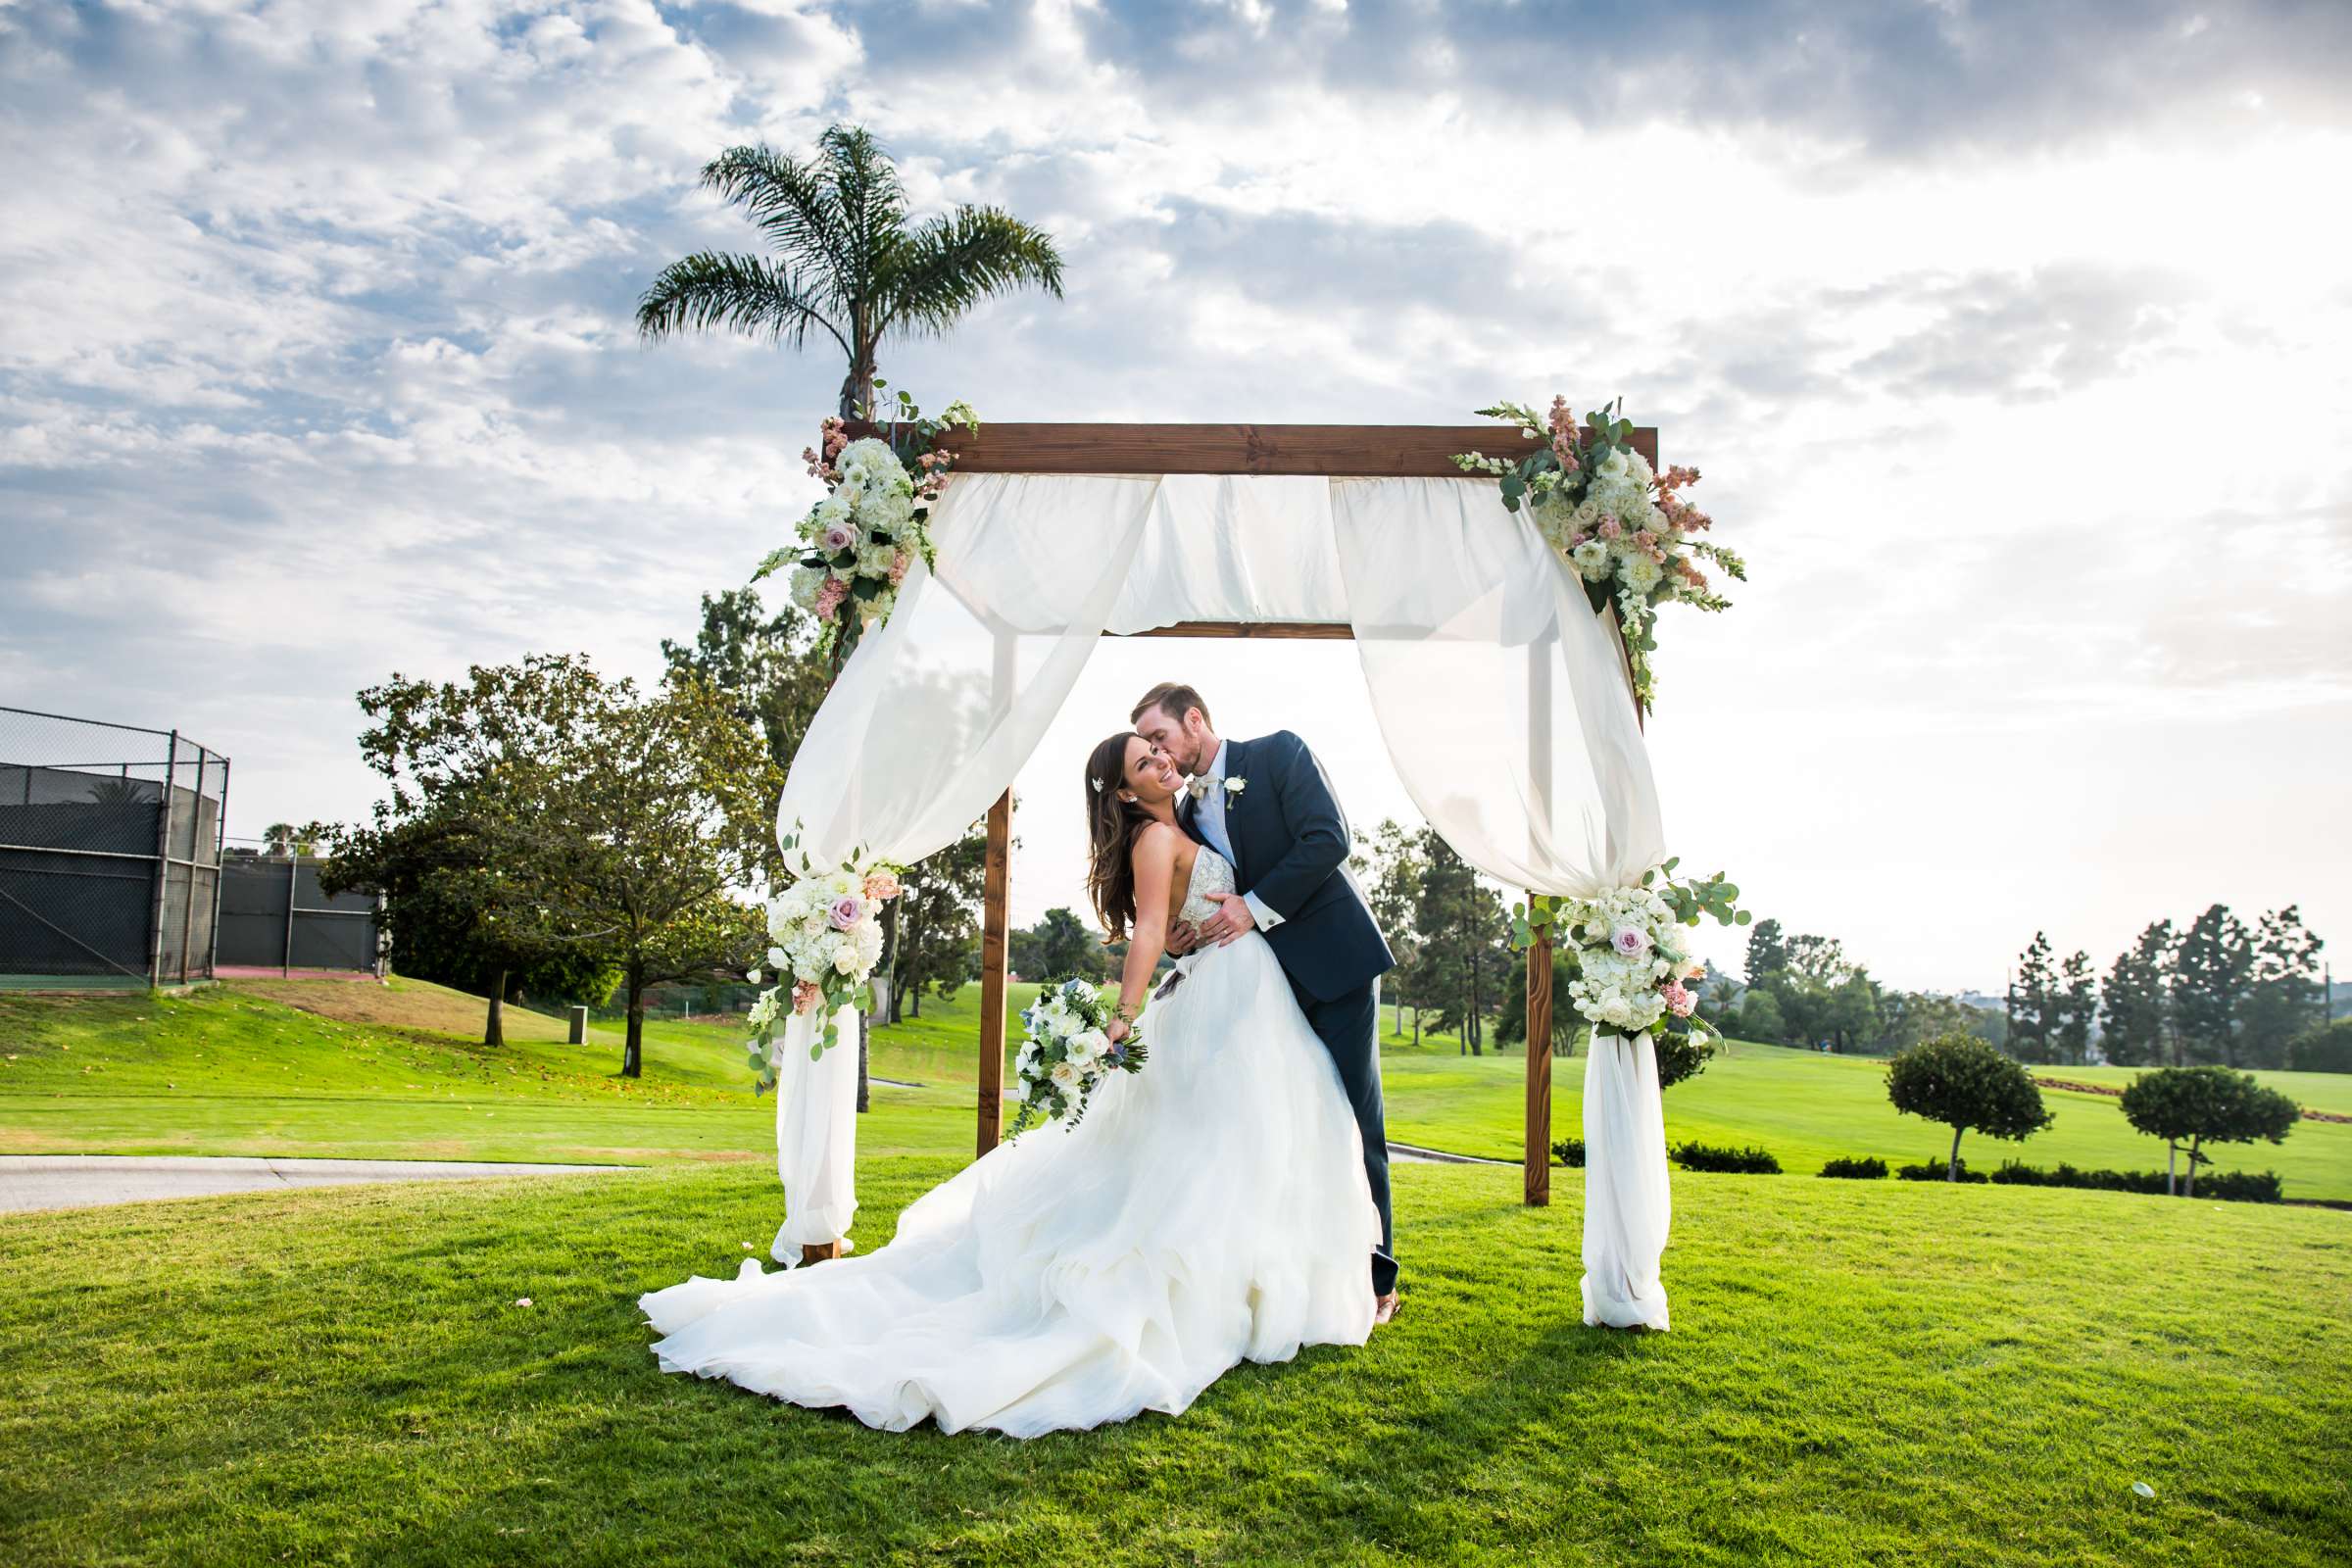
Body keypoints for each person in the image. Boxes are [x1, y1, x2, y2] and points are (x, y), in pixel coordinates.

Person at [636, 726, 1386, 1437]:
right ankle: (1235, 1293)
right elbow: (1150, 931)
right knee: (1223, 1147)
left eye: (1156, 752)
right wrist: (1123, 1018)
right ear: (1125, 795)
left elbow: (1195, 906)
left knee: (1244, 1143)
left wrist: (1209, 922)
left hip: (1242, 987)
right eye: (1142, 763)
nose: (1159, 761)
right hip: (1226, 992)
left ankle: (1255, 1281)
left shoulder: (1186, 816)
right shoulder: (1157, 835)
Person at [1129, 681, 1399, 1318]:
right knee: (1281, 1130)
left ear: (1195, 720)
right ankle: (1299, 1270)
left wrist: (1252, 908)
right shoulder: (1185, 814)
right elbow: (1202, 901)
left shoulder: (1279, 754)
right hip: (1259, 991)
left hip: (1334, 966)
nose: (1161, 754)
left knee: (1355, 1124)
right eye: (1148, 749)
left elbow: (1327, 839)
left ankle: (1377, 1281)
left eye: (1162, 737)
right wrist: (1182, 936)